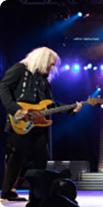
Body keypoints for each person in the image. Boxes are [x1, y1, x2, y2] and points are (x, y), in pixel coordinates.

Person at [0, 47, 82, 201]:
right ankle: (6, 192)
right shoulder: (20, 69)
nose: (52, 68)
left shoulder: (44, 81)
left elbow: (50, 105)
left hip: (39, 126)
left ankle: (37, 196)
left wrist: (71, 109)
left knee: (41, 158)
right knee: (16, 157)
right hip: (20, 122)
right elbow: (3, 87)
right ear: (42, 60)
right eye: (51, 64)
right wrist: (15, 109)